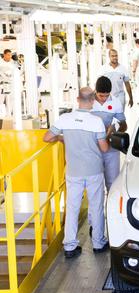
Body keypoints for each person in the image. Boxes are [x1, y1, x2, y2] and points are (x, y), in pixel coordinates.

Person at [43, 87, 109, 258]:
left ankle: (70, 247)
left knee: (72, 208)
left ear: (78, 99)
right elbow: (104, 148)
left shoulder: (64, 119)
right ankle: (98, 243)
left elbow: (47, 137)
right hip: (94, 170)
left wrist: (62, 137)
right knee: (96, 206)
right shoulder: (96, 122)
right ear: (93, 100)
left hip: (73, 172)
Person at [0, 49, 17, 117]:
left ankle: (9, 115)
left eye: (10, 55)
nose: (10, 56)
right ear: (4, 55)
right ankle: (1, 116)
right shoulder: (0, 62)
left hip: (10, 84)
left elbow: (15, 72)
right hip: (2, 84)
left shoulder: (13, 63)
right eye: (8, 55)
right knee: (1, 100)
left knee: (10, 100)